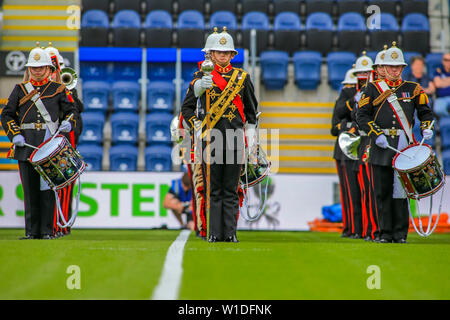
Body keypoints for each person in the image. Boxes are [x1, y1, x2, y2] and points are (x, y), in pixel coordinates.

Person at [181, 27, 258, 243]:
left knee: (231, 189)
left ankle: (231, 233)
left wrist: (252, 143)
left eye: (226, 52)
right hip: (210, 139)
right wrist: (197, 124)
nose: (222, 56)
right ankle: (214, 232)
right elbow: (186, 109)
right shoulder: (200, 76)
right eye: (218, 52)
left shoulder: (242, 78)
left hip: (235, 139)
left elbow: (251, 113)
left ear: (232, 55)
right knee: (213, 189)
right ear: (210, 54)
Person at [356, 42, 434, 243]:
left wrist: (427, 126)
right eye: (390, 67)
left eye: (397, 66)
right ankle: (384, 233)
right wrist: (375, 134)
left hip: (403, 145)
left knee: (401, 193)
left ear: (402, 68)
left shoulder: (413, 89)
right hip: (381, 144)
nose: (393, 70)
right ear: (384, 68)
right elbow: (362, 116)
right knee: (381, 192)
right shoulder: (372, 89)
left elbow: (426, 112)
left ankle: (400, 234)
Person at [0, 44, 78, 239]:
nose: (36, 71)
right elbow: (7, 115)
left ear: (48, 69)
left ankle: (46, 230)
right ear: (29, 69)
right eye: (33, 68)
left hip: (47, 146)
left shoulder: (58, 89)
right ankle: (31, 231)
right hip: (26, 146)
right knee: (30, 191)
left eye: (40, 67)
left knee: (48, 191)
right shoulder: (19, 90)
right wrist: (14, 134)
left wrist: (69, 122)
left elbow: (72, 111)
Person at [45, 43, 84, 238]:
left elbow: (78, 109)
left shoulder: (69, 90)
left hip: (63, 143)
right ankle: (49, 226)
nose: (55, 74)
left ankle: (62, 224)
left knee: (65, 186)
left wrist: (65, 90)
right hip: (46, 141)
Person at [330, 66, 356, 238]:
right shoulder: (345, 98)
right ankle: (350, 227)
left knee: (357, 191)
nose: (349, 89)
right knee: (348, 192)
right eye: (349, 86)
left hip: (359, 148)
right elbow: (334, 128)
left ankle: (357, 227)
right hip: (344, 150)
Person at [432, 52, 450, 117]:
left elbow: (440, 82)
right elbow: (438, 84)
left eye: (449, 60)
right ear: (443, 61)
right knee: (438, 109)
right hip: (441, 98)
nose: (448, 62)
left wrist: (443, 81)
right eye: (446, 60)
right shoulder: (438, 71)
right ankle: (447, 119)